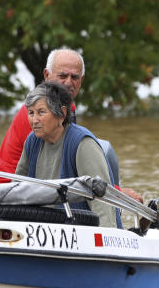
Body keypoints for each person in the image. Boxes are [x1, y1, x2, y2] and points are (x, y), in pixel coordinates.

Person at [14, 82, 121, 228]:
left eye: (41, 112)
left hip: (82, 230)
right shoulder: (31, 142)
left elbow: (102, 202)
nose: (34, 120)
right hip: (45, 230)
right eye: (31, 113)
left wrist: (106, 238)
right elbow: (17, 189)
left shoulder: (83, 143)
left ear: (62, 114)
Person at [0, 48, 84, 173]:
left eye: (74, 77)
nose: (68, 82)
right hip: (8, 186)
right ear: (46, 75)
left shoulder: (68, 107)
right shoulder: (37, 112)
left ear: (81, 80)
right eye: (62, 76)